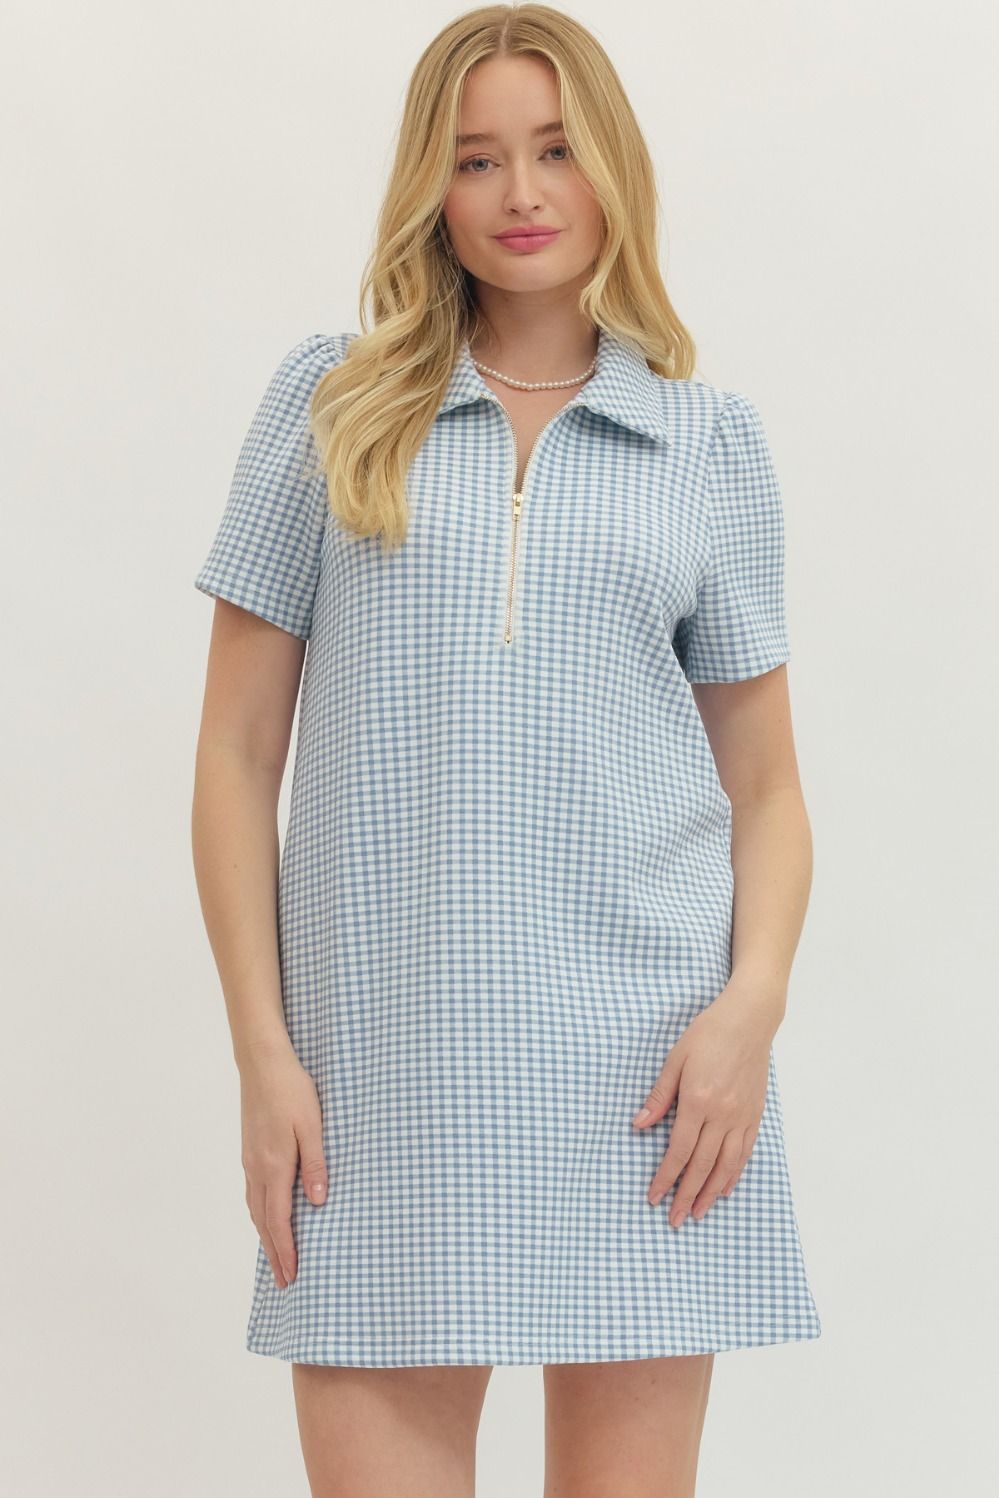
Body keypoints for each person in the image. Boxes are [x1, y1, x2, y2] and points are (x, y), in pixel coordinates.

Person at [191, 6, 822, 1494]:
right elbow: (235, 755)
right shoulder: (333, 409)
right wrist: (264, 1056)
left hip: (653, 1085)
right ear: (431, 184)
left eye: (556, 151)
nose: (521, 194)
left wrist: (750, 1011)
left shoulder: (707, 444)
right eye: (477, 159)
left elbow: (768, 787)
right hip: (380, 1078)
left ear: (615, 171)